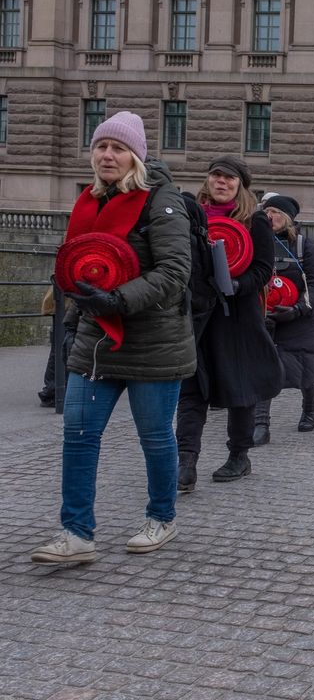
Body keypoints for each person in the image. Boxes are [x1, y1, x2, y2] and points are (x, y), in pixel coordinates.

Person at [32, 112, 195, 563]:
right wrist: (70, 329)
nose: (107, 155)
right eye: (101, 146)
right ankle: (77, 532)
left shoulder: (161, 201)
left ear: (135, 157)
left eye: (118, 148)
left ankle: (161, 518)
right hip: (95, 340)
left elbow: (175, 272)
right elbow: (74, 272)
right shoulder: (89, 202)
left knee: (155, 437)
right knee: (78, 435)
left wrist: (118, 300)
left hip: (153, 342)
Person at [175, 156, 283, 489]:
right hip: (198, 316)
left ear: (240, 185)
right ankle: (186, 462)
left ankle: (239, 455)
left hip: (238, 317)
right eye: (216, 176)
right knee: (191, 389)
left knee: (240, 388)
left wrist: (238, 285)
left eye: (229, 178)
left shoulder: (256, 221)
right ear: (207, 181)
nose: (221, 182)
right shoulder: (191, 216)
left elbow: (264, 269)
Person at [254, 194, 314, 442]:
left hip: (300, 320)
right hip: (268, 319)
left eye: (275, 212)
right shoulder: (256, 242)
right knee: (264, 368)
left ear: (286, 218)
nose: (269, 217)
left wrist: (298, 308)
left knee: (307, 368)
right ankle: (260, 424)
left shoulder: (304, 246)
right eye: (266, 212)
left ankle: (310, 409)